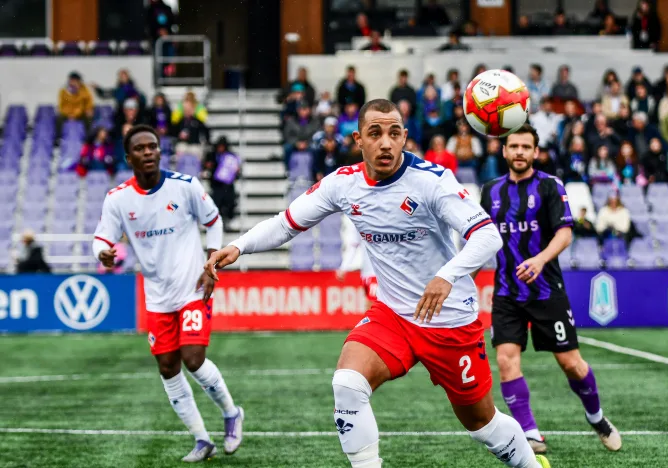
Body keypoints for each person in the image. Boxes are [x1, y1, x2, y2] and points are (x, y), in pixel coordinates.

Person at [206, 99, 551, 468]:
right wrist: (238, 246)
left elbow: (487, 236)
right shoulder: (343, 184)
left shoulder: (432, 181)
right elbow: (286, 223)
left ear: (404, 138)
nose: (385, 143)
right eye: (375, 133)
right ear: (359, 140)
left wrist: (447, 275)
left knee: (482, 424)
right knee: (347, 384)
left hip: (449, 320)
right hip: (393, 317)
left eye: (393, 133)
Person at [92, 125, 243, 462]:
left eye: (153, 147)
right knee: (168, 367)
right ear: (128, 157)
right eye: (141, 148)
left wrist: (212, 259)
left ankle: (232, 414)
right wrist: (102, 252)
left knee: (193, 359)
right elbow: (103, 237)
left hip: (192, 287)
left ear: (160, 152)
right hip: (157, 296)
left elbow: (214, 220)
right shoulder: (118, 198)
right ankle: (202, 439)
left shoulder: (185, 186)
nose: (148, 152)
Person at [478, 123, 621, 456]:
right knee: (506, 360)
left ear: (535, 152)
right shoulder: (490, 191)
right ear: (504, 150)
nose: (519, 152)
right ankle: (530, 434)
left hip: (546, 290)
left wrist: (540, 261)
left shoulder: (549, 187)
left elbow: (565, 233)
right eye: (513, 146)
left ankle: (597, 418)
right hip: (506, 293)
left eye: (526, 147)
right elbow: (481, 239)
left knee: (571, 363)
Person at [337, 221, 378, 305]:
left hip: (378, 273)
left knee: (375, 306)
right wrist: (344, 267)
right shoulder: (359, 219)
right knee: (369, 304)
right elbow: (353, 245)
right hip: (366, 272)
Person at [204, 136, 241, 224]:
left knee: (230, 202)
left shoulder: (231, 157)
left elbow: (237, 171)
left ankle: (228, 218)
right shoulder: (212, 155)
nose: (220, 148)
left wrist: (237, 171)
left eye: (222, 146)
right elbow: (206, 165)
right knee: (216, 203)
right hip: (216, 185)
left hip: (228, 186)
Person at [58, 71, 95, 137]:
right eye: (72, 81)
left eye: (75, 81)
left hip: (80, 113)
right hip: (68, 114)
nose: (73, 83)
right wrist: (69, 114)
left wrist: (88, 110)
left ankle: (88, 138)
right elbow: (62, 106)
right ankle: (58, 138)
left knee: (89, 119)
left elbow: (88, 103)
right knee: (59, 119)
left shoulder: (84, 90)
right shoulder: (63, 91)